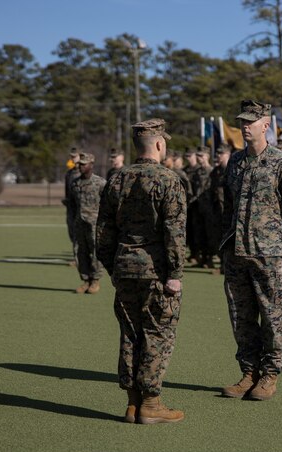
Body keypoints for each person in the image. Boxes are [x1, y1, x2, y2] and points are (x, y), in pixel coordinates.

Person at [96, 118, 186, 425]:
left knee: (130, 334)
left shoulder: (117, 179)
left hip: (124, 268)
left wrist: (114, 266)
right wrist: (175, 273)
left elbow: (103, 232)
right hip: (156, 271)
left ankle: (132, 404)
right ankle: (151, 402)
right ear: (160, 144)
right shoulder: (168, 179)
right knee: (157, 335)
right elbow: (175, 232)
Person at [220, 100, 282, 401]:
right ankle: (249, 372)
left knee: (272, 317)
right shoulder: (235, 162)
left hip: (269, 253)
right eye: (242, 121)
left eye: (251, 122)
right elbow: (227, 204)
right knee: (241, 317)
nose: (245, 126)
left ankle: (270, 375)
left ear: (265, 125)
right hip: (236, 252)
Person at [67, 152, 106, 294]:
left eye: (84, 164)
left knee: (95, 252)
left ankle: (95, 280)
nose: (81, 166)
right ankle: (85, 280)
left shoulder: (100, 183)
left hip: (95, 225)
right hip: (79, 224)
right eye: (80, 164)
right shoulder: (75, 184)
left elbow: (108, 204)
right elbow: (71, 204)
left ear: (91, 165)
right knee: (80, 252)